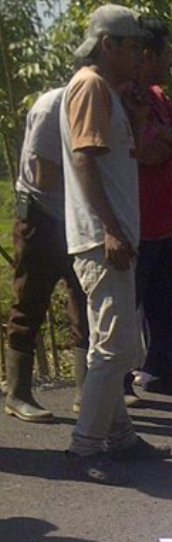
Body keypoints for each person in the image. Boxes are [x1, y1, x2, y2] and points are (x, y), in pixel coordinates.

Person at [61, 4, 172, 485]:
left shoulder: (106, 91)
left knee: (114, 342)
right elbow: (85, 161)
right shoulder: (89, 86)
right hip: (101, 238)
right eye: (132, 47)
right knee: (114, 345)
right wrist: (108, 227)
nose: (139, 56)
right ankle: (85, 444)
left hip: (110, 235)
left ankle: (120, 437)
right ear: (109, 45)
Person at [6, 86, 89, 423]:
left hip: (78, 217)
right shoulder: (51, 107)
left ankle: (87, 391)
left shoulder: (102, 103)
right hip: (41, 219)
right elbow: (45, 177)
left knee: (85, 300)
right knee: (29, 303)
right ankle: (17, 394)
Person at [132, 17, 172, 397]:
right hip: (136, 225)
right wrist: (171, 142)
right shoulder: (123, 97)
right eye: (168, 52)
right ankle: (122, 380)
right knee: (127, 310)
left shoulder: (157, 96)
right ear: (148, 55)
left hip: (165, 224)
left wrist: (169, 139)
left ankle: (165, 370)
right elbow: (144, 152)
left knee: (168, 307)